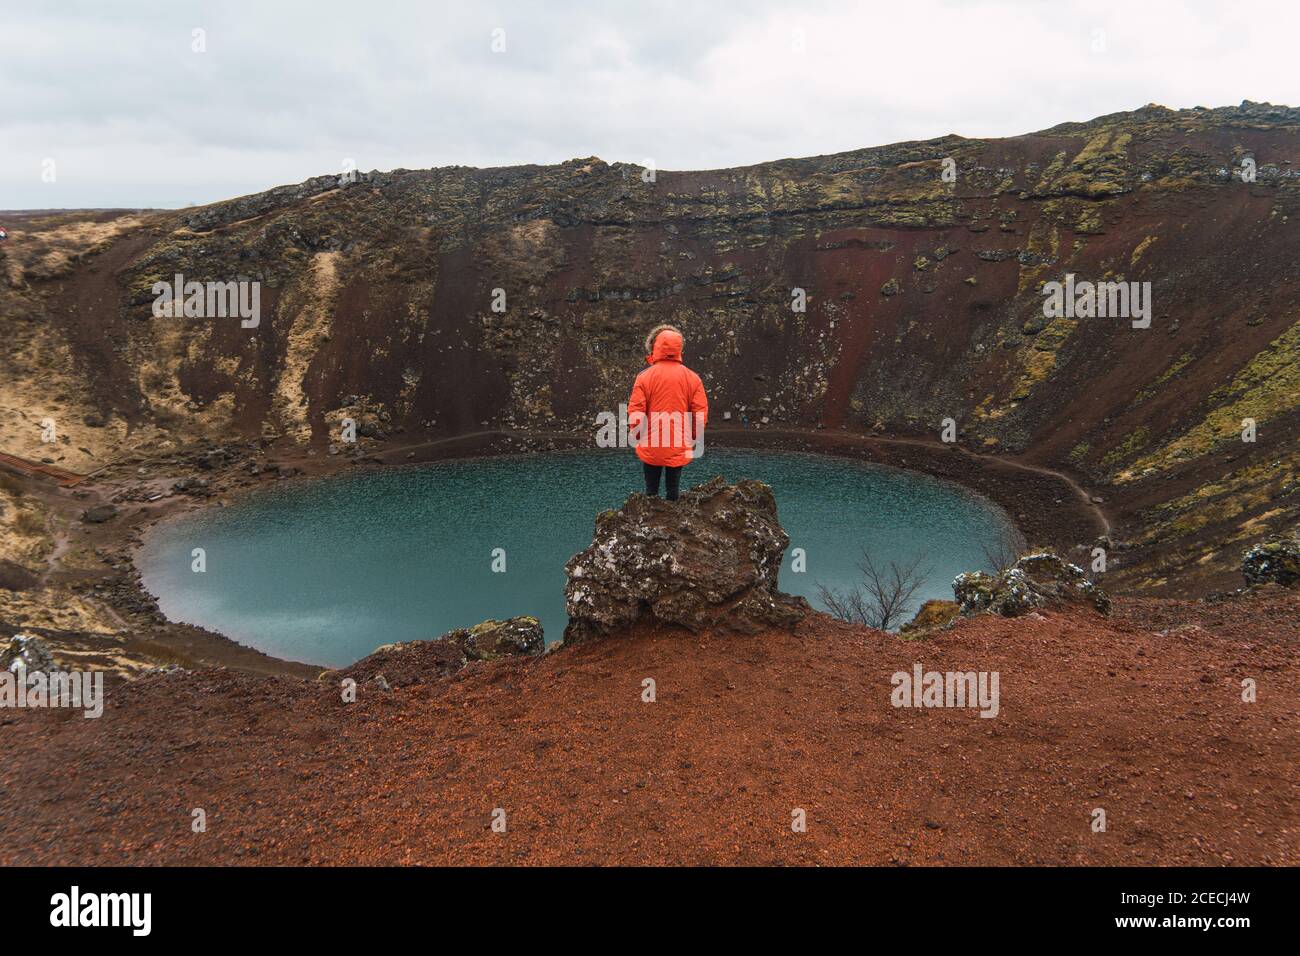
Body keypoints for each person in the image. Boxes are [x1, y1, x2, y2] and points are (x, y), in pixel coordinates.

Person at [627, 324, 707, 501]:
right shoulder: (692, 378)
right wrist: (693, 437)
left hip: (651, 443)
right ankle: (674, 521)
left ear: (655, 347)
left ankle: (649, 519)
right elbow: (699, 414)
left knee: (651, 493)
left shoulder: (644, 377)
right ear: (679, 348)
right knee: (673, 493)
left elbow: (636, 411)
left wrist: (638, 435)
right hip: (679, 444)